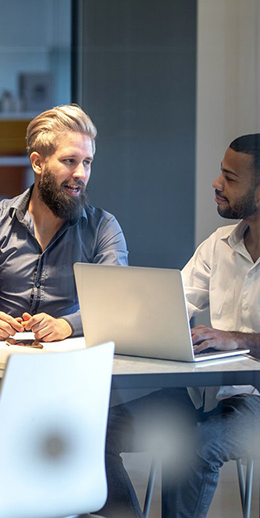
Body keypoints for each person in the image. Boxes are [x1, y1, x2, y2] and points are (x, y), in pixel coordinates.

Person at [0, 104, 129, 466]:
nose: (81, 174)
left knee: (92, 436)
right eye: (70, 161)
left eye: (87, 163)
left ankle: (39, 494)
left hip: (74, 378)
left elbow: (116, 309)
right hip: (1, 374)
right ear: (37, 162)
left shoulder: (103, 228)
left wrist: (66, 325)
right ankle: (39, 491)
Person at [100, 134, 260, 518]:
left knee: (192, 450)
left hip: (254, 401)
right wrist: (131, 319)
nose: (216, 183)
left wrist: (233, 339)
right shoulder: (219, 245)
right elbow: (172, 305)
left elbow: (232, 339)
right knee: (93, 431)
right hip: (201, 396)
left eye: (230, 177)